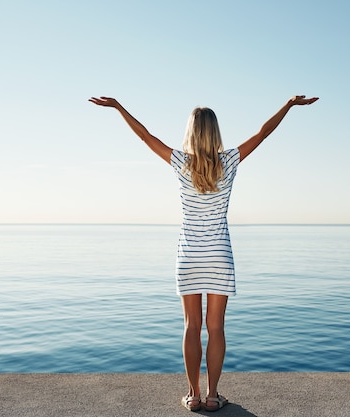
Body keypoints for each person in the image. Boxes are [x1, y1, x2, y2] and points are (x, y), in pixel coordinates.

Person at [88, 94, 319, 412]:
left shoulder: (181, 163)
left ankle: (193, 395)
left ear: (191, 134)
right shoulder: (231, 161)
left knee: (191, 326)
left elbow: (144, 136)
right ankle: (213, 397)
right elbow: (263, 133)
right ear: (215, 133)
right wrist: (289, 105)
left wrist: (118, 108)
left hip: (189, 256)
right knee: (217, 328)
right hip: (219, 255)